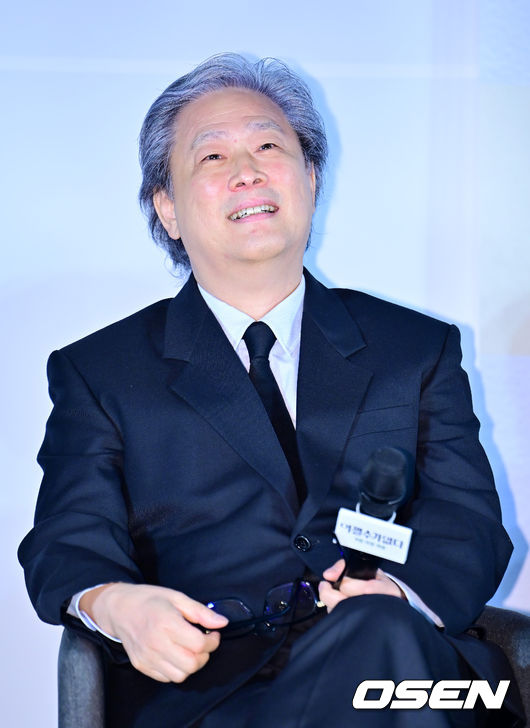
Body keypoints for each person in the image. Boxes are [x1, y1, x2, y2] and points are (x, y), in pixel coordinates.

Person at [19, 53, 524, 727]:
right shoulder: (102, 372)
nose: (247, 172)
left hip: (397, 665)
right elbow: (67, 537)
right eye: (212, 157)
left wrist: (399, 594)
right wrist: (115, 604)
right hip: (210, 694)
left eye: (268, 146)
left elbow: (467, 523)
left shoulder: (414, 349)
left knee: (382, 636)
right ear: (167, 209)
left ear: (311, 179)